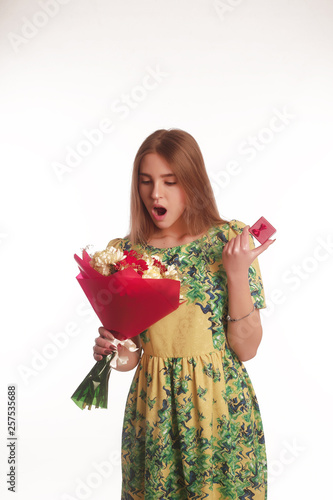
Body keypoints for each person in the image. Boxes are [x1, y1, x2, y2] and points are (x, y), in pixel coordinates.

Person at [93, 128, 274, 499]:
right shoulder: (125, 255)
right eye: (146, 181)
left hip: (220, 408)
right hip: (154, 412)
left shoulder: (229, 240)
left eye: (169, 182)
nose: (154, 194)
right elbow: (133, 354)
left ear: (192, 182)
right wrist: (115, 351)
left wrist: (237, 272)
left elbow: (247, 349)